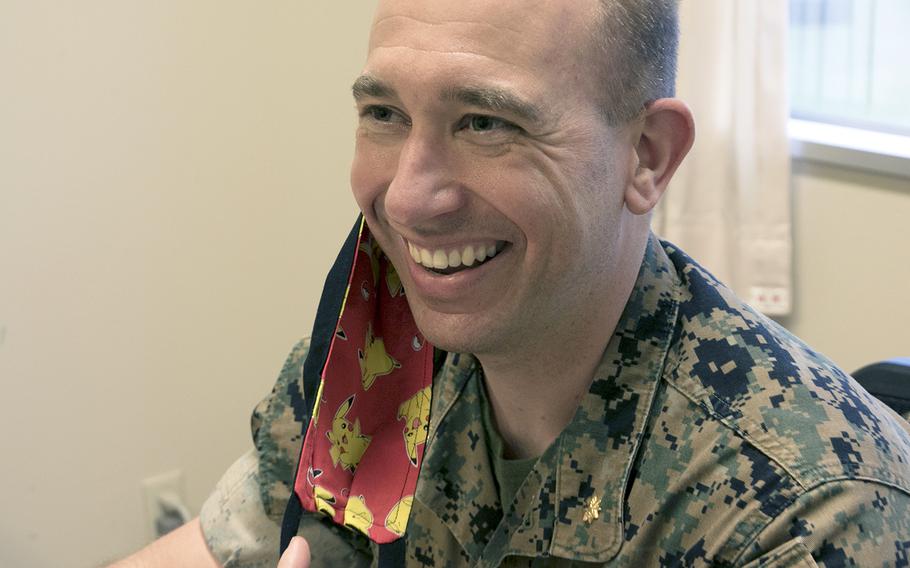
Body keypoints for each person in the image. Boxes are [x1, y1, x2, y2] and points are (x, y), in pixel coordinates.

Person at [113, 0, 910, 566]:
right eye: (385, 113)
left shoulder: (802, 514)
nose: (408, 199)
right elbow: (236, 535)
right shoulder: (386, 331)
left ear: (647, 157)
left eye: (486, 123)